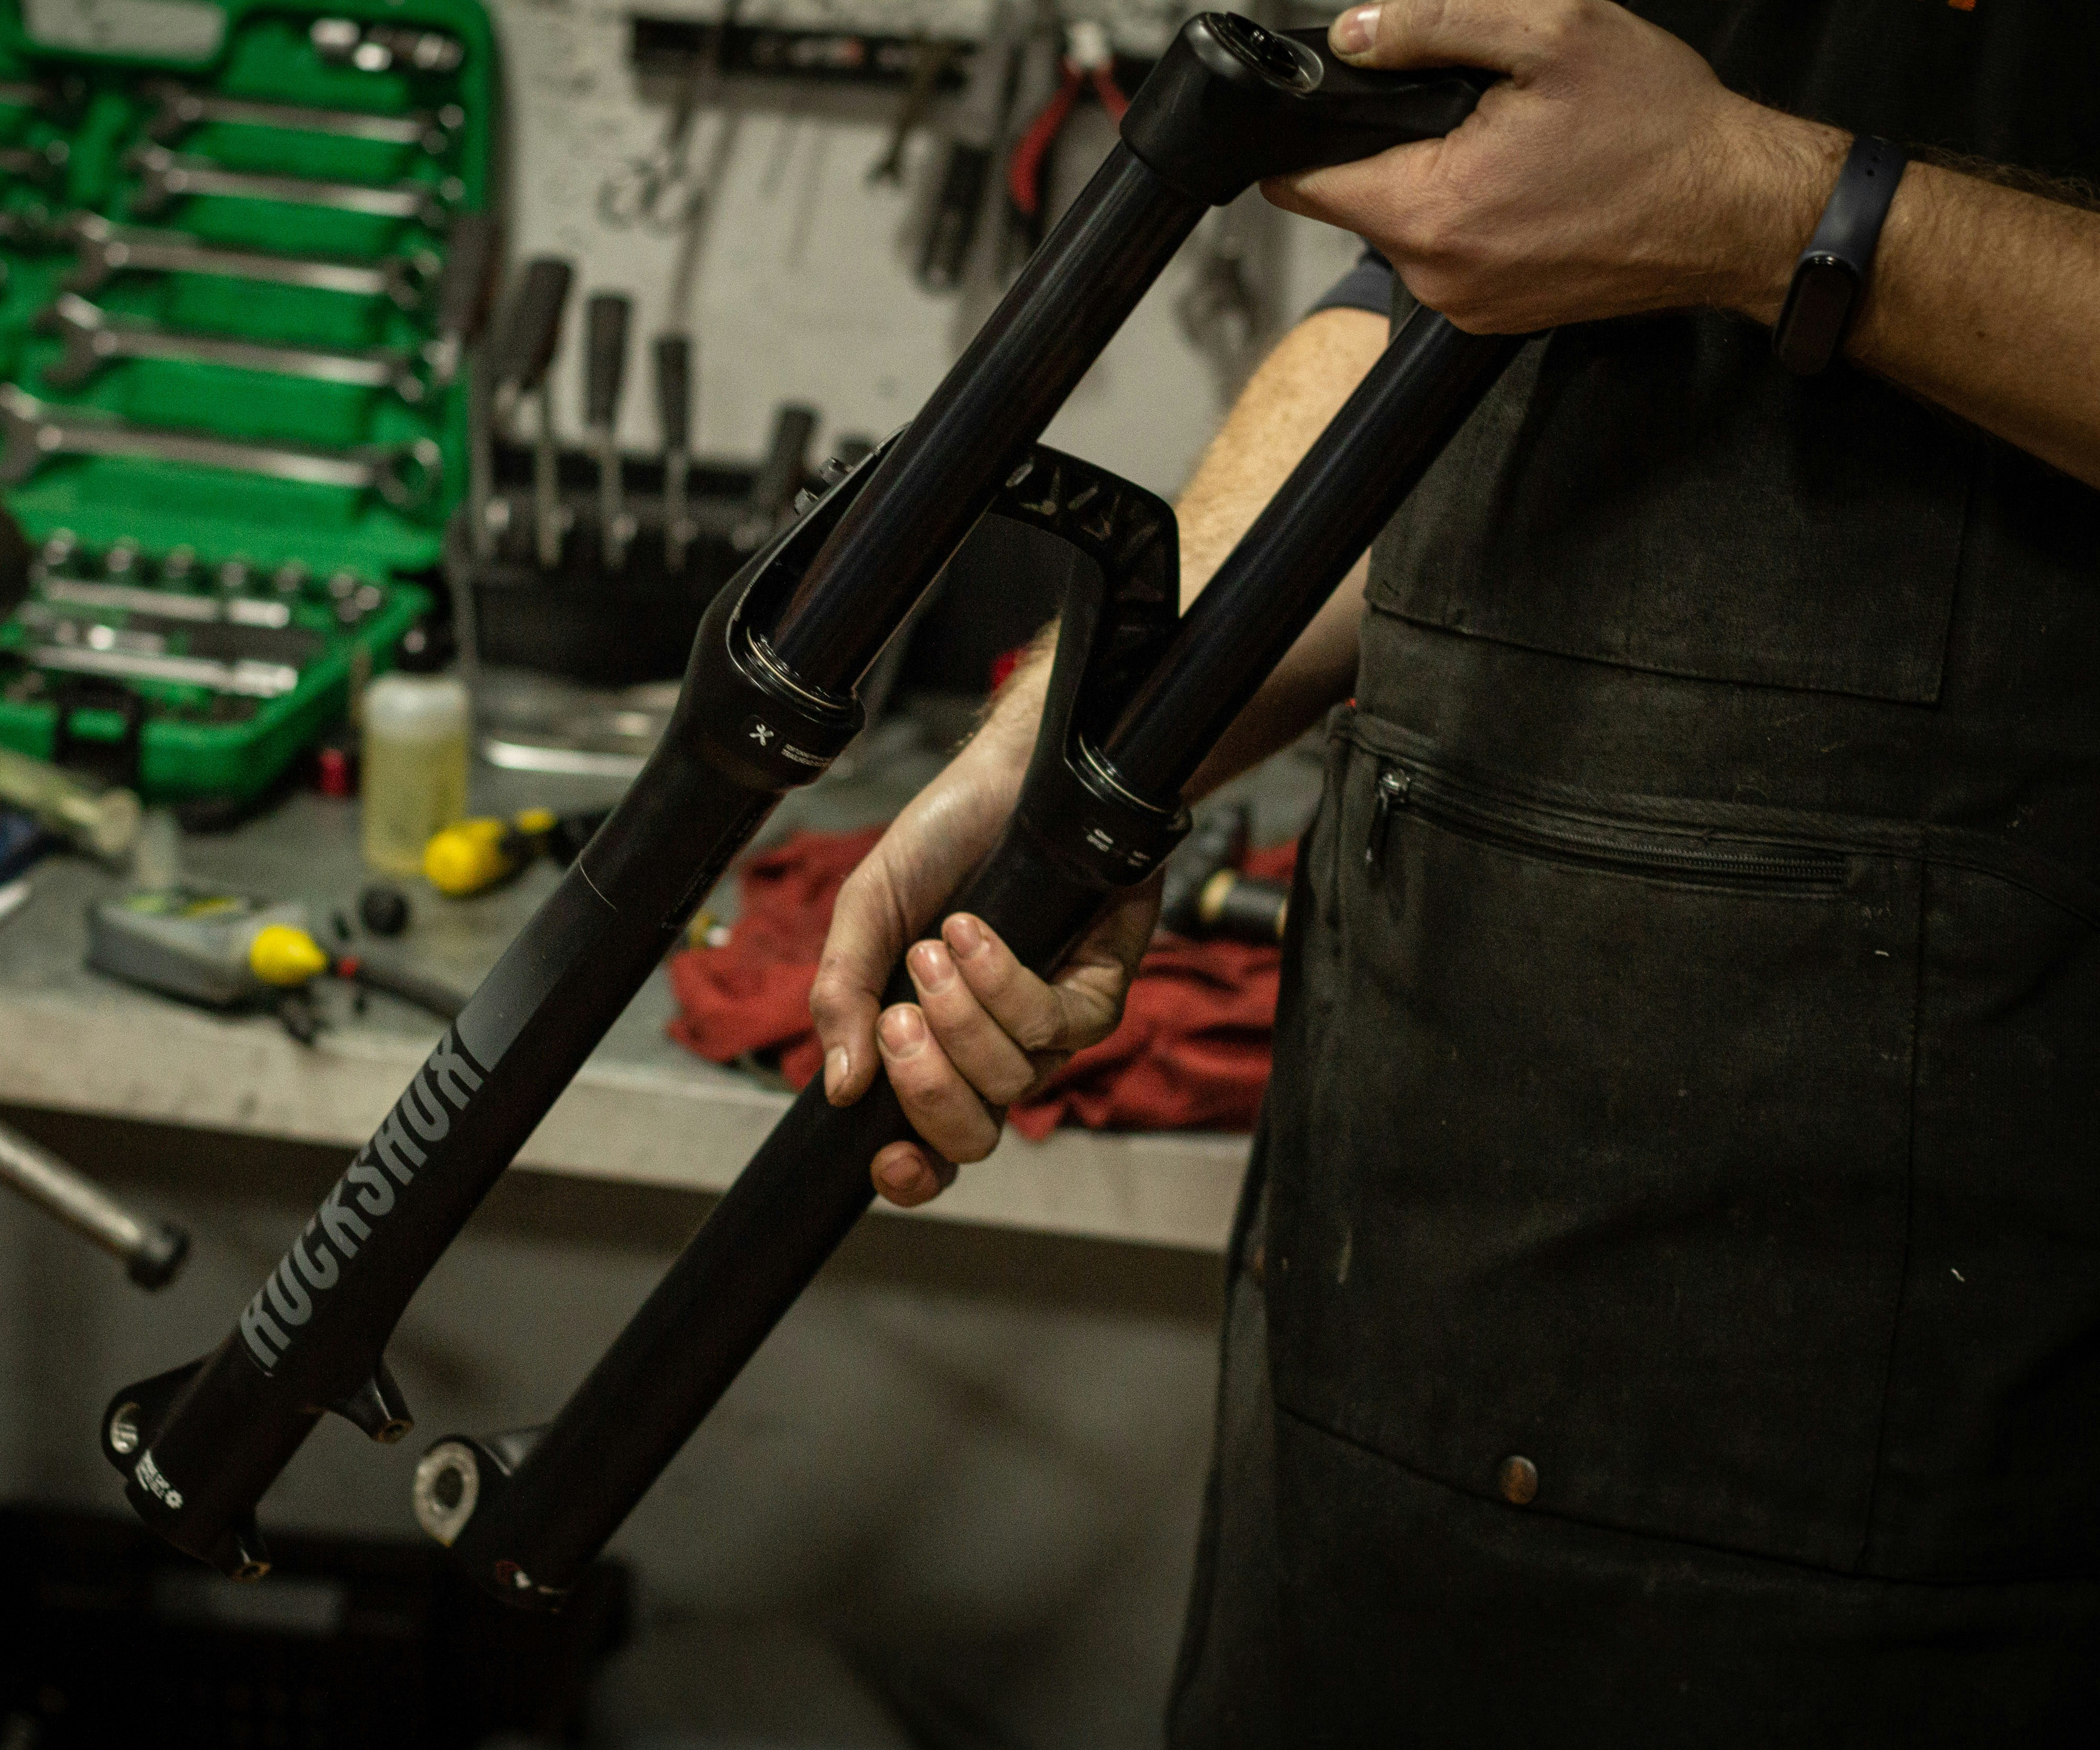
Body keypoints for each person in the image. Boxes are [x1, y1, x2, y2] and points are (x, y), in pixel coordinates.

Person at [807, 0, 2100, 1739]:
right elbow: (1457, 286)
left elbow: (1672, 195)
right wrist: (1086, 747)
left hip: (1914, 1406)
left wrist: (1757, 199)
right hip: (1388, 1318)